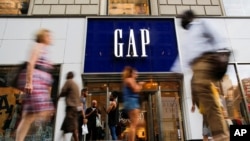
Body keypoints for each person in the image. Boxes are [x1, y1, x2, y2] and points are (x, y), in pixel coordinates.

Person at [180, 10, 229, 141]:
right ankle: (220, 134)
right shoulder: (188, 36)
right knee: (202, 92)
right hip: (196, 66)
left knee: (205, 92)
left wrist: (222, 51)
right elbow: (185, 57)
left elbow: (217, 36)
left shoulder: (201, 24)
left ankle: (222, 136)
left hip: (205, 61)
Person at [15, 29, 55, 141]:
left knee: (28, 116)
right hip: (36, 81)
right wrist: (29, 82)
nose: (50, 37)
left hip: (40, 82)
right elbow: (31, 63)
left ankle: (19, 139)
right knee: (45, 111)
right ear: (42, 36)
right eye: (48, 35)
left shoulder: (45, 50)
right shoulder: (38, 46)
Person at [60, 71, 85, 141]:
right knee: (68, 126)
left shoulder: (69, 82)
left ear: (69, 76)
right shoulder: (76, 85)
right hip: (76, 109)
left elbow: (63, 91)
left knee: (71, 127)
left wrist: (58, 97)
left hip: (71, 108)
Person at [122, 66, 145, 141]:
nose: (136, 74)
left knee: (134, 124)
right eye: (135, 73)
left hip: (130, 103)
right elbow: (136, 89)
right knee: (134, 125)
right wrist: (141, 84)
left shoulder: (127, 80)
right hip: (132, 103)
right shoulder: (130, 79)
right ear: (131, 73)